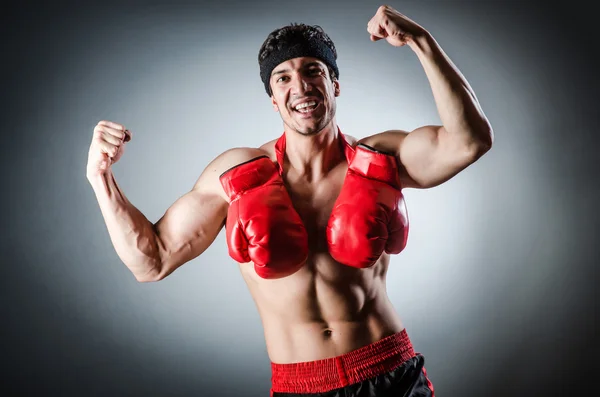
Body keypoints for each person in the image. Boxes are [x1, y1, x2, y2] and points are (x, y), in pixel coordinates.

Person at [86, 5, 493, 396]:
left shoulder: (381, 159)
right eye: (282, 78)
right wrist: (100, 177)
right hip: (301, 385)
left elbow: (469, 140)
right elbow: (151, 261)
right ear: (273, 99)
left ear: (334, 85)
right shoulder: (235, 176)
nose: (299, 86)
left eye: (312, 70)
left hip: (388, 374)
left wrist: (421, 40)